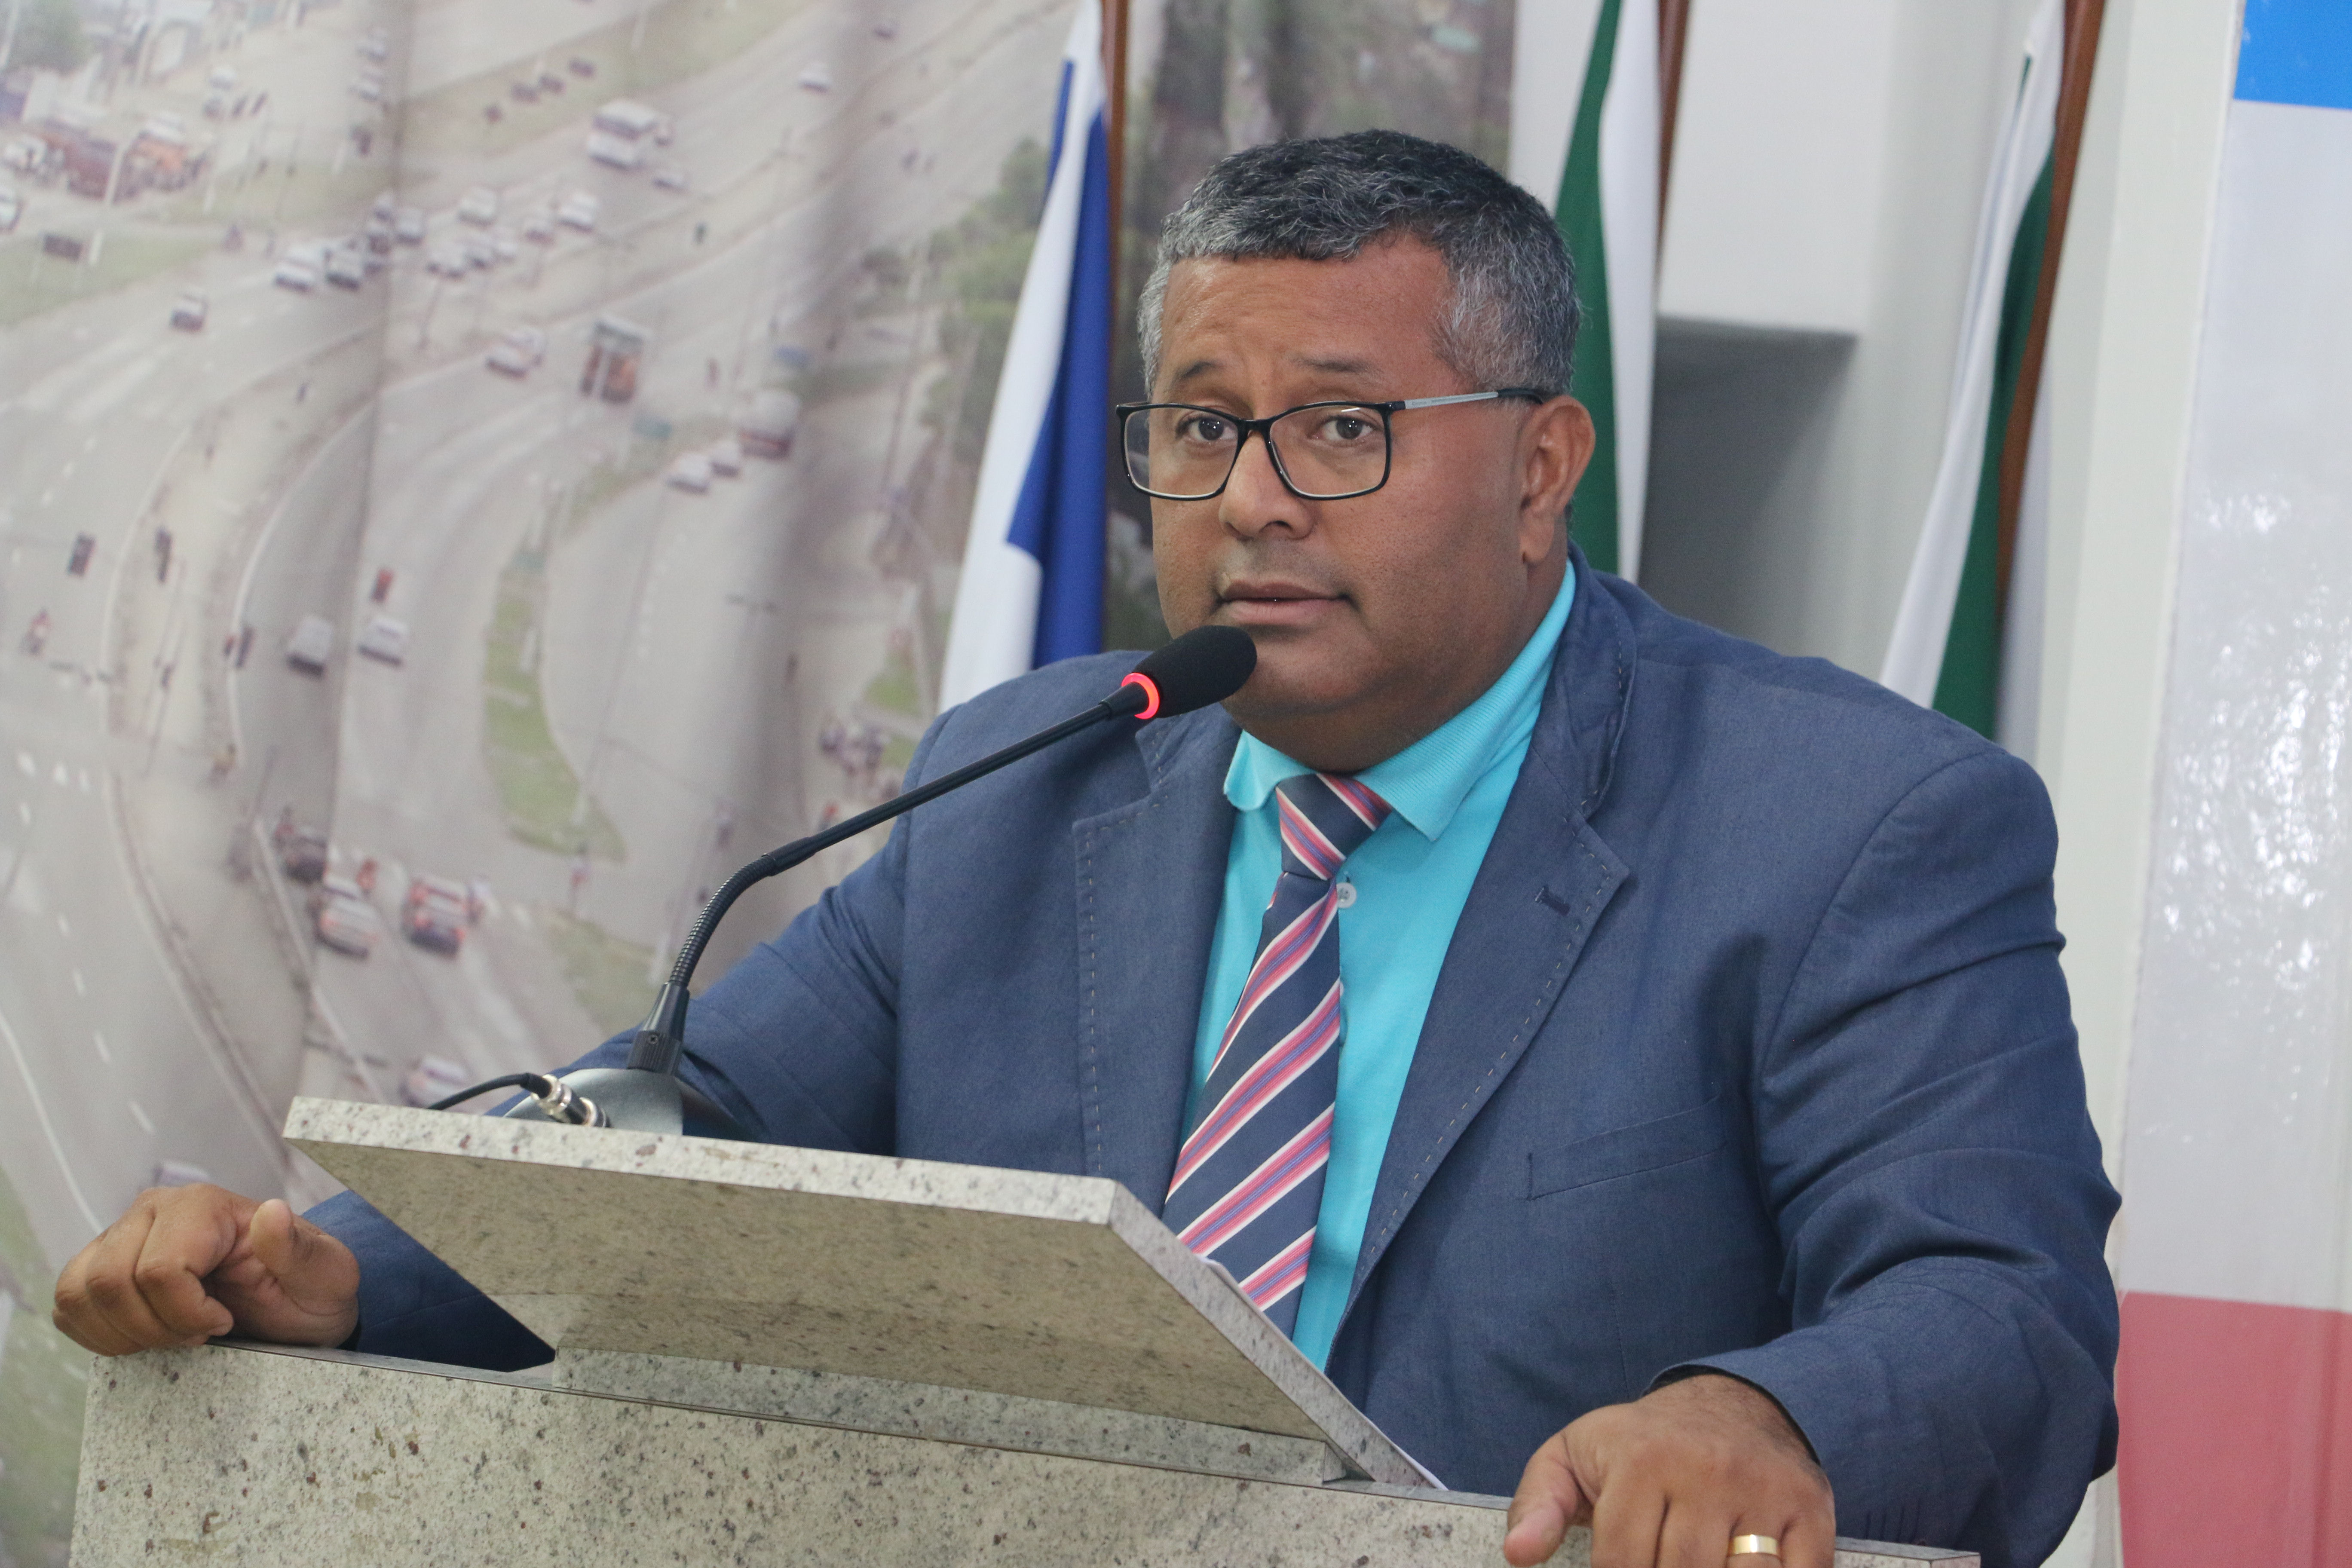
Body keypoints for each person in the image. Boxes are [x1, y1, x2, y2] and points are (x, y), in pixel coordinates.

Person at [52, 132, 2117, 1568]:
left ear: (1539, 466)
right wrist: (343, 1272)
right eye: (1202, 428)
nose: (1254, 501)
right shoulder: (1036, 776)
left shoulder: (1848, 827)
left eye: (1343, 427)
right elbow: (700, 1117)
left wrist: (1769, 1414)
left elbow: (2000, 1307)